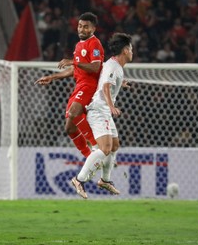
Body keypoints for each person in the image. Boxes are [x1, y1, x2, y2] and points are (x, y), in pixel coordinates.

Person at [70, 32, 133, 199]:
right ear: (125, 50)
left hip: (103, 110)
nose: (132, 52)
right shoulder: (114, 66)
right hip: (99, 110)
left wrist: (122, 83)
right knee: (104, 148)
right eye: (131, 49)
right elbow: (105, 86)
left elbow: (105, 78)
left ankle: (105, 180)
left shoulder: (113, 66)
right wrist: (112, 106)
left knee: (114, 146)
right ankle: (79, 179)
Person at [35, 12, 104, 158]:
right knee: (69, 128)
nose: (81, 29)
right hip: (79, 85)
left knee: (74, 112)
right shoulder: (79, 44)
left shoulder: (95, 43)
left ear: (93, 29)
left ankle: (98, 149)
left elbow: (95, 67)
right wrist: (52, 77)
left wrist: (74, 61)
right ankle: (89, 157)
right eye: (80, 26)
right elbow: (75, 68)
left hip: (89, 85)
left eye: (86, 27)